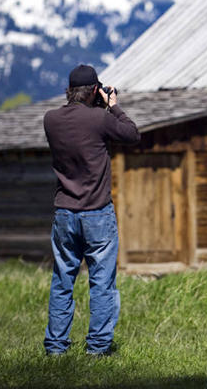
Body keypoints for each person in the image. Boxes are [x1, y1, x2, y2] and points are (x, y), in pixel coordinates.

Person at [42, 64, 140, 356]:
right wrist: (114, 107)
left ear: (69, 90)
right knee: (102, 283)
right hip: (97, 212)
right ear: (96, 90)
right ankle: (97, 348)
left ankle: (56, 347)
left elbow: (74, 122)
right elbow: (132, 134)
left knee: (62, 281)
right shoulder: (100, 119)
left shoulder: (51, 120)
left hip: (64, 212)